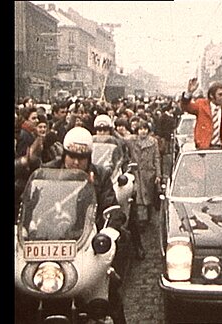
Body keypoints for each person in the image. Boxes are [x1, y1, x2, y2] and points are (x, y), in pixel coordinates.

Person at [15, 126, 127, 324]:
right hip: (48, 238)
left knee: (109, 290)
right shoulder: (46, 172)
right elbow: (30, 201)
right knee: (22, 295)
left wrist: (109, 229)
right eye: (72, 156)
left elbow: (111, 207)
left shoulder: (100, 175)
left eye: (82, 157)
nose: (76, 161)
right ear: (64, 154)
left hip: (85, 242)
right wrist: (25, 224)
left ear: (89, 158)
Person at [125, 121, 162, 231]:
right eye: (140, 129)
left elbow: (156, 158)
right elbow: (121, 138)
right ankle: (142, 220)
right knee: (139, 197)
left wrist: (158, 175)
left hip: (149, 173)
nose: (143, 131)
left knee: (149, 197)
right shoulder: (132, 141)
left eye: (145, 128)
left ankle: (148, 217)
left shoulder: (153, 142)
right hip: (137, 173)